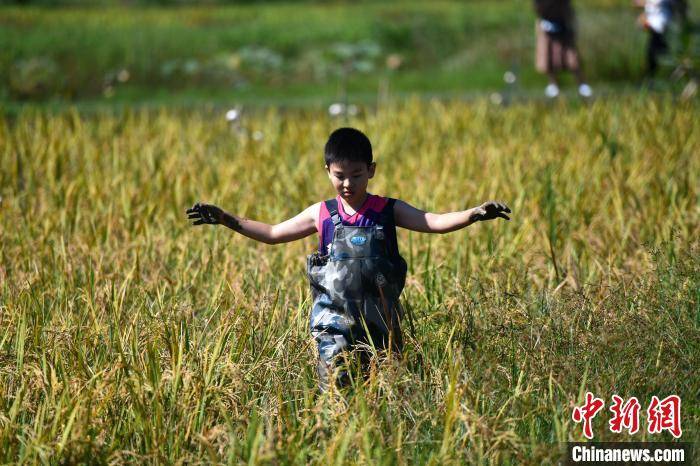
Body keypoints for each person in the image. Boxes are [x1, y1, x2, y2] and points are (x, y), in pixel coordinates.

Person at [186, 127, 511, 391]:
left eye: (356, 175)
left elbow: (435, 222)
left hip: (384, 328)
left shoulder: (387, 210)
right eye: (339, 175)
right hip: (333, 331)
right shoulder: (322, 213)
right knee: (338, 401)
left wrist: (474, 214)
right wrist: (227, 218)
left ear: (371, 170)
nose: (347, 184)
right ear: (327, 170)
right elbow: (272, 232)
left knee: (388, 398)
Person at [534, 0, 593, 98]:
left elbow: (568, 10)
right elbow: (537, 8)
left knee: (572, 58)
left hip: (563, 26)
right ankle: (553, 85)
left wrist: (571, 25)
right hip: (546, 25)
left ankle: (582, 85)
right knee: (547, 57)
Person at [634, 0, 688, 77]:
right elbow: (637, 3)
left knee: (660, 53)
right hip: (655, 28)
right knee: (655, 53)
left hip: (664, 28)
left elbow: (677, 5)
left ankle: (672, 75)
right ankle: (657, 76)